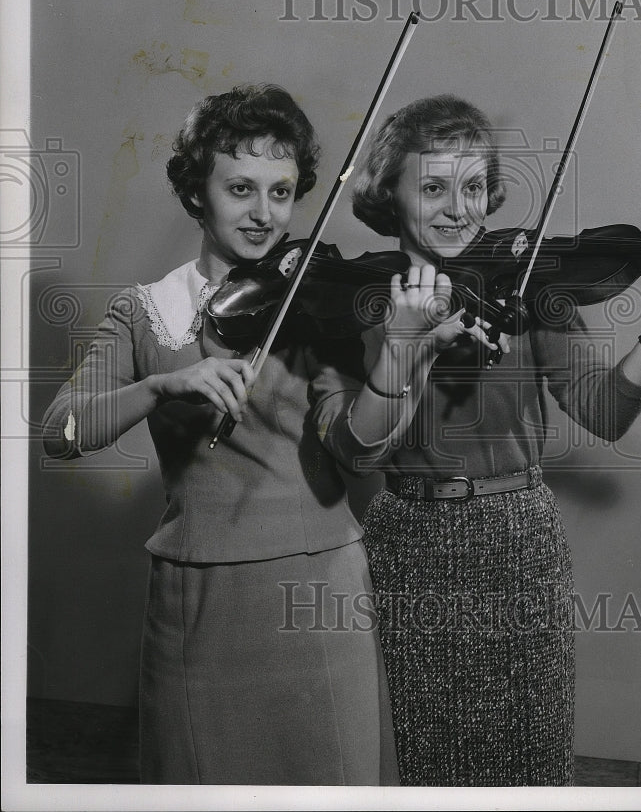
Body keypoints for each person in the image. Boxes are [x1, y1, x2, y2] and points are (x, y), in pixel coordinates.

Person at [312, 94, 641, 787]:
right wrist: (406, 348)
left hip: (518, 539)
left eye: (473, 188)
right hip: (406, 541)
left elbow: (605, 411)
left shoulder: (523, 287)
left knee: (527, 755)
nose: (457, 210)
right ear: (389, 194)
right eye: (433, 188)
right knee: (420, 755)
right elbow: (354, 452)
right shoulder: (350, 302)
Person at [42, 84, 398, 786]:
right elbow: (61, 433)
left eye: (281, 192)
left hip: (318, 590)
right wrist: (160, 386)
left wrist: (402, 359)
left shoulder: (313, 302)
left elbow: (359, 451)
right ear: (194, 191)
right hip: (200, 597)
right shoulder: (147, 312)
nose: (264, 214)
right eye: (241, 188)